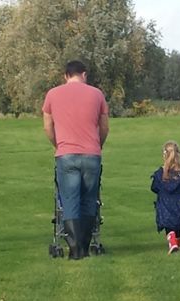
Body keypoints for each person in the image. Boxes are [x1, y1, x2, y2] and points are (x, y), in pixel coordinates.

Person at [42, 60, 109, 260]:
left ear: (65, 75)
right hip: (91, 154)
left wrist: (58, 144)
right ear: (84, 74)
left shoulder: (52, 95)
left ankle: (74, 249)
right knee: (89, 199)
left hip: (66, 154)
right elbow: (104, 127)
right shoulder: (97, 94)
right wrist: (99, 144)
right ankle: (85, 245)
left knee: (70, 200)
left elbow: (47, 126)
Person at [151, 141, 180, 254]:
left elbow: (154, 187)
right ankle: (176, 244)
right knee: (178, 226)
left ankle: (172, 242)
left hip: (166, 204)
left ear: (164, 155)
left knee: (169, 225)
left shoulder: (161, 173)